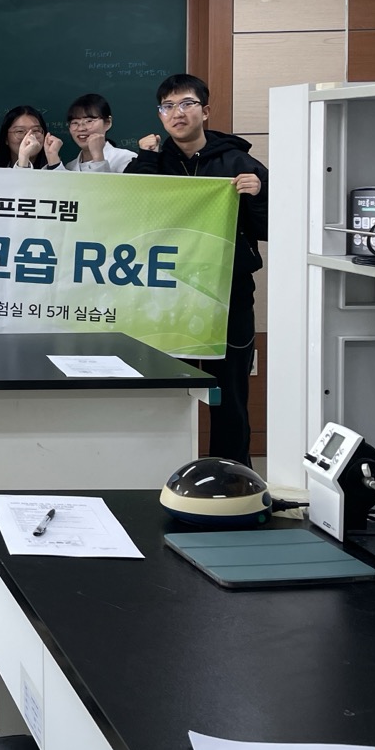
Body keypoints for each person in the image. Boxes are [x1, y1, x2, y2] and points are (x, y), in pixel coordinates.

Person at [125, 73, 268, 466]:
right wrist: (148, 158)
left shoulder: (238, 163)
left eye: (187, 104)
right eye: (168, 106)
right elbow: (132, 210)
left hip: (228, 293)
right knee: (169, 391)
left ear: (204, 111)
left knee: (230, 394)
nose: (178, 113)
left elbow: (270, 228)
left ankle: (232, 476)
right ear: (160, 115)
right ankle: (169, 473)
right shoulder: (154, 162)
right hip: (167, 295)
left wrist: (257, 196)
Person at [57, 93, 136, 173]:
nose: (81, 128)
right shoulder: (70, 167)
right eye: (75, 123)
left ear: (107, 123)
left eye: (89, 121)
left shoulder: (126, 159)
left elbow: (102, 181)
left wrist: (98, 156)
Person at [0, 105, 62, 169]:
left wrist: (53, 158)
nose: (29, 137)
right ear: (6, 138)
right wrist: (23, 158)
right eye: (20, 131)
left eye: (36, 130)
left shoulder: (54, 165)